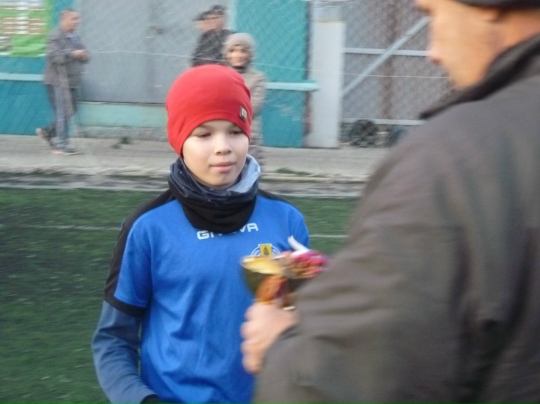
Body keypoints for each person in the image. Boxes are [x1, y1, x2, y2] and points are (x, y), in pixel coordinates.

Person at [241, 0, 540, 402]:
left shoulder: (454, 160)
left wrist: (280, 347)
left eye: (432, 15)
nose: (432, 52)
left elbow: (341, 384)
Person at [91, 64, 310, 404]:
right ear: (179, 141)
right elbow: (113, 341)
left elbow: (301, 328)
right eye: (204, 134)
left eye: (235, 131)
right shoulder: (148, 228)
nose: (223, 147)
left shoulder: (286, 221)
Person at [36, 8, 89, 155]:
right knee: (62, 111)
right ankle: (61, 145)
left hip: (71, 82)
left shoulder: (75, 37)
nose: (77, 22)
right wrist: (73, 54)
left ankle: (47, 132)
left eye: (78, 19)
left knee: (71, 109)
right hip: (57, 82)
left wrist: (84, 55)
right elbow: (54, 56)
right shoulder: (55, 36)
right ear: (64, 19)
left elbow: (87, 55)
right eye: (74, 19)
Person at [223, 33, 267, 167]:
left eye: (243, 51)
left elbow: (253, 108)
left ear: (250, 54)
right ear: (227, 54)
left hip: (247, 134)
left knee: (249, 170)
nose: (238, 55)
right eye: (233, 51)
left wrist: (232, 114)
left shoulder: (257, 78)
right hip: (222, 133)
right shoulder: (220, 75)